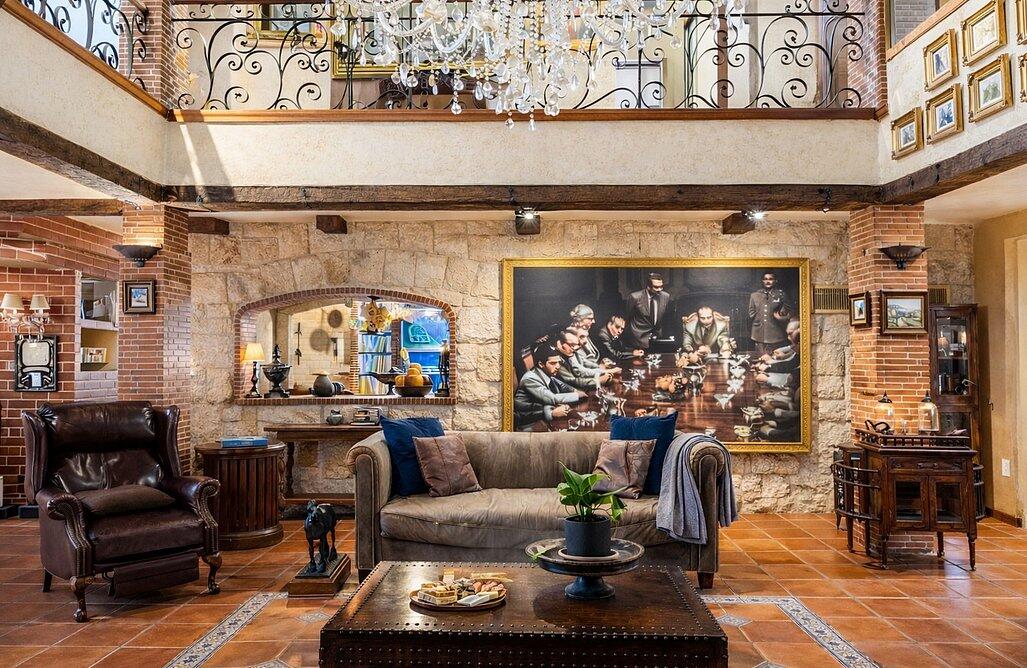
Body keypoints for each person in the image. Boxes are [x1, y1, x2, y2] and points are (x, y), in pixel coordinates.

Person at [513, 345, 586, 430]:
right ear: (541, 364)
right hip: (528, 424)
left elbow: (561, 385)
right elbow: (553, 398)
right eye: (553, 363)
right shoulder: (530, 378)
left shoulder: (545, 374)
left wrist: (574, 390)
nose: (558, 366)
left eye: (558, 362)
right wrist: (577, 395)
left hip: (542, 417)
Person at [748, 271, 792, 356]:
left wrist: (782, 317)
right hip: (758, 333)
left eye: (771, 279)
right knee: (760, 357)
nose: (768, 281)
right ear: (762, 281)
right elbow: (751, 312)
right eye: (765, 279)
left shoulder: (781, 295)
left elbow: (789, 311)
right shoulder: (755, 295)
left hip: (775, 333)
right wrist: (758, 318)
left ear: (775, 281)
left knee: (775, 358)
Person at [624, 272, 671, 350]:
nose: (659, 289)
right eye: (656, 287)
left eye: (661, 287)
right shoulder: (635, 297)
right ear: (648, 286)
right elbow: (627, 318)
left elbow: (667, 318)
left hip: (657, 339)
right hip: (638, 339)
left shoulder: (665, 296)